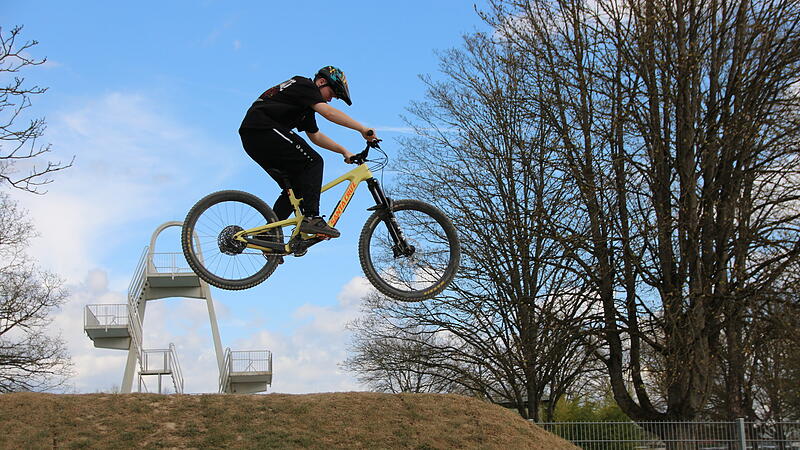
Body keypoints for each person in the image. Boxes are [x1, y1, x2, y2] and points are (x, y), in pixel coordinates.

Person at [238, 66, 378, 238]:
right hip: (263, 128)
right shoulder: (304, 85)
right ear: (321, 82)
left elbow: (316, 136)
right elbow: (329, 113)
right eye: (332, 94)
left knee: (298, 188)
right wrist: (362, 129)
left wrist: (344, 151)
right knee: (314, 161)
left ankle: (268, 233)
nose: (331, 100)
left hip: (255, 138)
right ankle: (312, 218)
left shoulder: (304, 104)